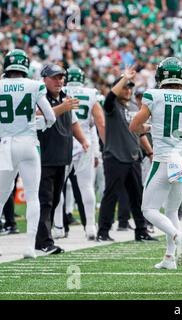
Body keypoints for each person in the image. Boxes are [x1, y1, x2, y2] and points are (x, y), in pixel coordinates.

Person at [130, 57, 182, 269]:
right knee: (172, 210)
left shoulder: (153, 95)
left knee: (148, 210)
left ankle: (176, 234)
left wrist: (150, 128)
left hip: (163, 159)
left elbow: (134, 126)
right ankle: (170, 258)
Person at [0, 49, 56, 258]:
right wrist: (36, 125)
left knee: (1, 196)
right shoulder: (34, 85)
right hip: (28, 143)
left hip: (5, 144)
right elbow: (50, 117)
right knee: (33, 196)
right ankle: (29, 247)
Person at [96, 66, 156, 242]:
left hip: (133, 156)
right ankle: (103, 231)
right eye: (125, 87)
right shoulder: (111, 105)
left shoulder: (132, 105)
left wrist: (150, 151)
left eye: (130, 87)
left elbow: (139, 131)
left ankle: (141, 230)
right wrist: (124, 77)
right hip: (115, 156)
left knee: (138, 196)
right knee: (111, 195)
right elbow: (110, 96)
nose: (128, 90)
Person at [36, 63, 90, 255]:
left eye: (61, 77)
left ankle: (42, 238)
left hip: (62, 155)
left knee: (55, 199)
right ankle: (44, 241)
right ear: (45, 78)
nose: (59, 81)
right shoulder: (39, 96)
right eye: (55, 77)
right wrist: (62, 107)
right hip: (44, 156)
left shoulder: (64, 97)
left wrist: (83, 140)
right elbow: (36, 117)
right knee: (45, 200)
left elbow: (73, 122)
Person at [53, 66, 106, 240]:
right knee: (87, 187)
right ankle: (90, 226)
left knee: (58, 187)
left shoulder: (60, 90)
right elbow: (100, 123)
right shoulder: (91, 93)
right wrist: (100, 151)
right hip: (84, 142)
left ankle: (59, 226)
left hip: (64, 141)